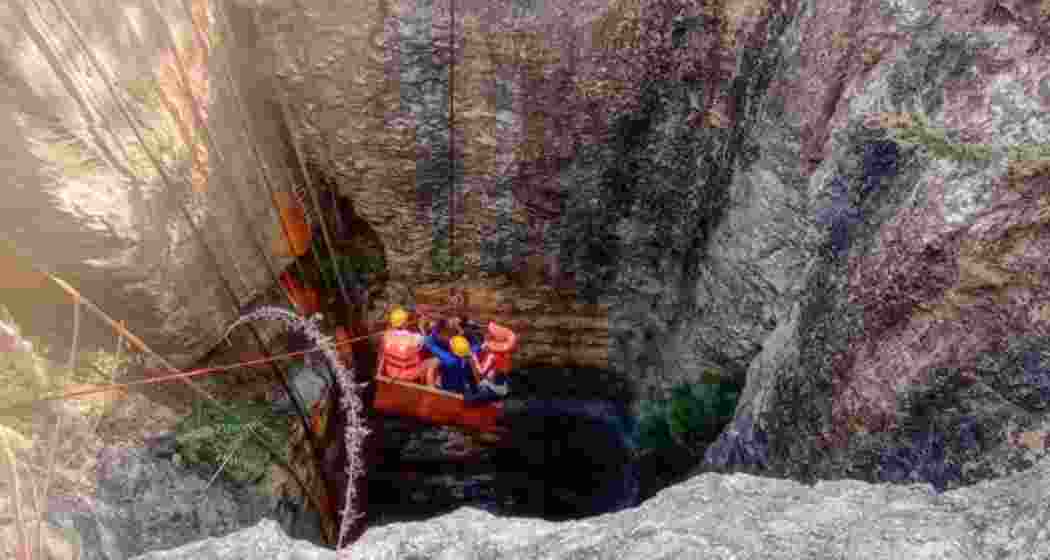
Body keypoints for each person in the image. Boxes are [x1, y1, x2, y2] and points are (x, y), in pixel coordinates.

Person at [464, 322, 517, 405]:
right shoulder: (506, 355)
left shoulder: (492, 356)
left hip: (493, 390)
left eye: (489, 334)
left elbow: (481, 373)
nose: (487, 335)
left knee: (467, 399)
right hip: (503, 389)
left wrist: (473, 358)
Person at [376, 306, 427, 383]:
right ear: (405, 323)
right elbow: (427, 341)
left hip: (391, 372)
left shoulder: (386, 336)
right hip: (408, 375)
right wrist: (422, 327)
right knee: (430, 362)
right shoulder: (414, 337)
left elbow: (381, 355)